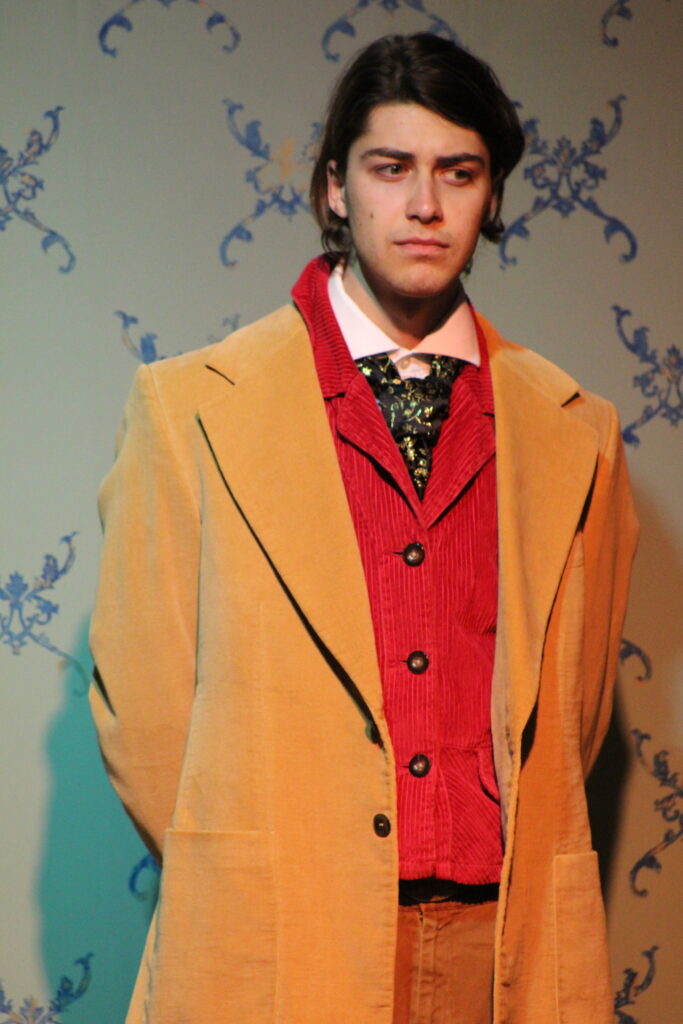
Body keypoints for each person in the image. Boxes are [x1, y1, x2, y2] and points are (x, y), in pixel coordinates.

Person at [89, 33, 638, 1024]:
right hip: (278, 938)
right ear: (335, 188)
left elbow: (577, 713)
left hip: (504, 946)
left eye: (457, 172)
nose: (424, 204)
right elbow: (145, 714)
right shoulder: (188, 409)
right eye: (390, 168)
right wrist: (254, 877)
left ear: (491, 196)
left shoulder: (577, 429)